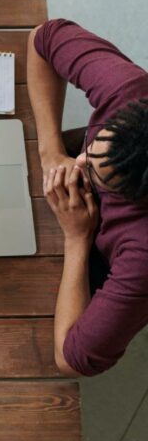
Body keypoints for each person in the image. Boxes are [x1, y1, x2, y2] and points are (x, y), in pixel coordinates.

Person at [27, 19, 148, 377]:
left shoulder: (142, 253)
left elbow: (72, 359)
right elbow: (43, 37)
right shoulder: (130, 90)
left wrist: (77, 238)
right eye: (91, 149)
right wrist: (50, 152)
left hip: (89, 245)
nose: (79, 161)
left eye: (94, 174)